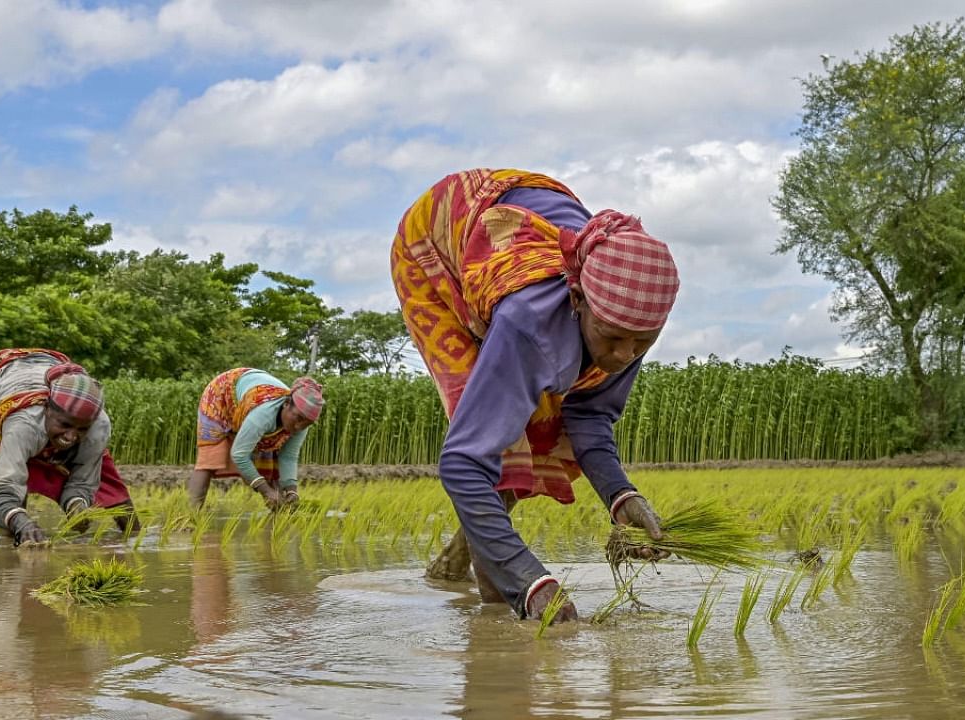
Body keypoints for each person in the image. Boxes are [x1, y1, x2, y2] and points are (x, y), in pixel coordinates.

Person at [391, 168, 679, 623]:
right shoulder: (531, 320)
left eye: (642, 344)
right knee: (498, 437)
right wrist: (531, 583)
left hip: (524, 215)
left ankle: (464, 560)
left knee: (541, 423)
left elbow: (588, 415)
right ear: (579, 298)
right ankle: (500, 593)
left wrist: (621, 495)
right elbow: (463, 460)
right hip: (436, 243)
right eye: (613, 338)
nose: (624, 356)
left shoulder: (628, 317)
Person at [0, 348, 140, 547]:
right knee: (21, 466)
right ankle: (16, 533)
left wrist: (77, 506)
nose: (70, 436)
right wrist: (22, 523)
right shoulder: (24, 425)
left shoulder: (98, 427)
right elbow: (1, 489)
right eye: (65, 425)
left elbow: (84, 481)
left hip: (47, 364)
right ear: (47, 409)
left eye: (81, 429)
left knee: (106, 475)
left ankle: (133, 537)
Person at [188, 368, 323, 510]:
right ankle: (192, 515)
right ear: (286, 404)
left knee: (272, 466)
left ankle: (278, 519)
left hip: (253, 402)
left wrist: (292, 490)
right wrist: (265, 490)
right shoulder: (263, 415)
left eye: (307, 423)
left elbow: (288, 457)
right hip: (223, 393)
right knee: (210, 458)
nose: (299, 426)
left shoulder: (303, 421)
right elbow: (239, 455)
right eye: (299, 418)